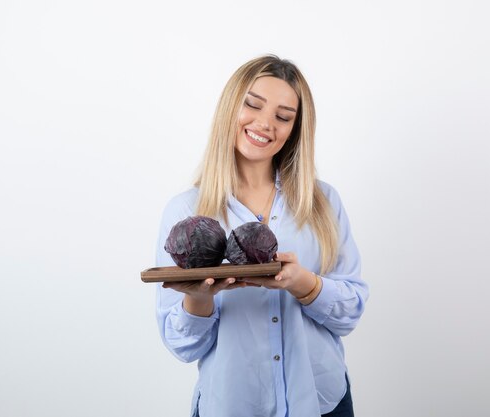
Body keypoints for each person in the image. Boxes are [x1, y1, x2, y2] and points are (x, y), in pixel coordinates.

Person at [155, 55, 369, 417]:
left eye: (283, 117)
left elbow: (350, 313)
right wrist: (198, 299)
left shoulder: (323, 202)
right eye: (253, 105)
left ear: (295, 129)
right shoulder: (185, 212)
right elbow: (182, 346)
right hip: (233, 404)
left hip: (321, 401)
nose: (265, 124)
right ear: (229, 109)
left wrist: (305, 285)